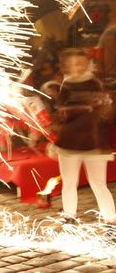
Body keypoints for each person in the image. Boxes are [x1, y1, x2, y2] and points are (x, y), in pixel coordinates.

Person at [54, 48, 115, 225]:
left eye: (81, 63)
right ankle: (69, 214)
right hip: (70, 142)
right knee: (69, 182)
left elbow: (103, 108)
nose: (78, 67)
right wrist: (84, 107)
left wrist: (102, 105)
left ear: (87, 63)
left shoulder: (95, 83)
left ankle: (110, 218)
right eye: (74, 64)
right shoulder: (66, 85)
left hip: (93, 141)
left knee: (98, 182)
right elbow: (61, 109)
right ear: (67, 67)